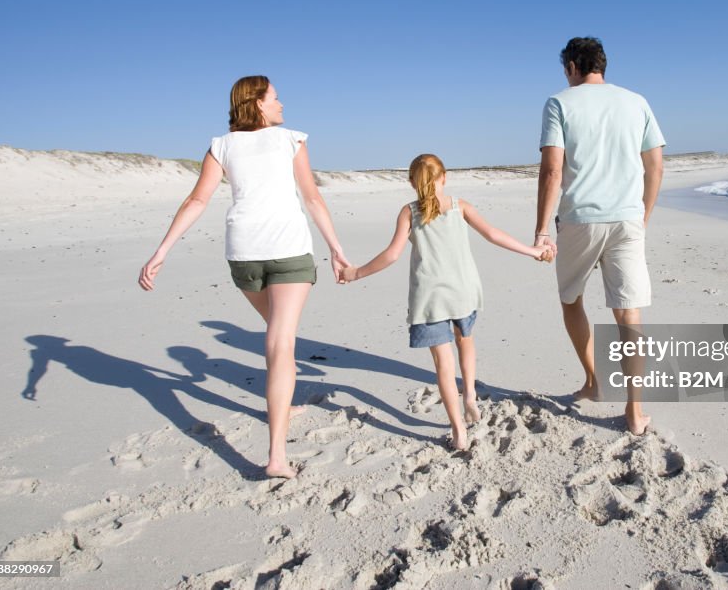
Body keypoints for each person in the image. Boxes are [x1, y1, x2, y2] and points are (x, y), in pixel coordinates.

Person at [139, 75, 349, 478]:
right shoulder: (292, 139)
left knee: (277, 333)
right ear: (257, 103)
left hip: (243, 255)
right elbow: (312, 197)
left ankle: (283, 400)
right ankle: (276, 457)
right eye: (275, 97)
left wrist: (162, 250)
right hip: (287, 249)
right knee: (281, 341)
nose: (282, 102)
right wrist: (336, 249)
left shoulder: (221, 145)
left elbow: (197, 199)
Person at [339, 154, 552, 450]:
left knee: (443, 364)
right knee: (466, 340)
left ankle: (458, 432)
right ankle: (470, 397)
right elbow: (493, 235)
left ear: (412, 182)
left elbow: (391, 255)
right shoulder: (459, 206)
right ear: (444, 177)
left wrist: (355, 273)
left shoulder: (409, 212)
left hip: (430, 299)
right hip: (463, 291)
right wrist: (533, 251)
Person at [534, 37, 665, 435]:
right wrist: (643, 214)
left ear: (573, 65)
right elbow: (656, 165)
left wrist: (542, 228)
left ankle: (593, 381)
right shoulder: (636, 101)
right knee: (629, 316)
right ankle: (635, 411)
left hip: (579, 220)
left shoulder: (559, 102)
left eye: (565, 70)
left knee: (570, 299)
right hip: (628, 220)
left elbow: (553, 171)